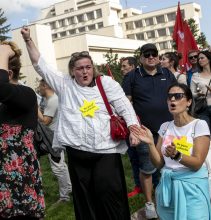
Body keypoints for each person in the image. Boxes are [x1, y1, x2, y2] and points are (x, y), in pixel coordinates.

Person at [21, 26, 140, 220]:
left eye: (88, 67)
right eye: (79, 68)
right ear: (72, 71)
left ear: (93, 68)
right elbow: (39, 64)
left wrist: (133, 130)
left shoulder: (107, 83)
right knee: (85, 200)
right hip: (78, 152)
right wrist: (28, 40)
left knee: (110, 195)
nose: (85, 72)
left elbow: (125, 108)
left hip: (106, 151)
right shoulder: (64, 84)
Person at [131, 83, 211, 220]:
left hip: (192, 188)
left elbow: (197, 162)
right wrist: (151, 143)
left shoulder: (199, 125)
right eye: (169, 97)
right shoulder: (165, 127)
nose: (172, 100)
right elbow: (158, 164)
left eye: (178, 96)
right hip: (168, 188)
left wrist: (177, 155)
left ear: (188, 102)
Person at [122, 43, 177, 219]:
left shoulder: (167, 73)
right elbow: (125, 104)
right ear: (141, 57)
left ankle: (166, 199)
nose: (151, 57)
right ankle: (149, 203)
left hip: (168, 130)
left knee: (170, 166)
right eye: (147, 54)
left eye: (154, 54)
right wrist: (133, 129)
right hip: (145, 132)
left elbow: (176, 95)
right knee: (147, 168)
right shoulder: (132, 76)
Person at [0, 42, 45, 219]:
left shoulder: (26, 94)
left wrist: (3, 53)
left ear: (8, 73)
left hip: (18, 182)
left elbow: (2, 89)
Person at [38, 79, 72, 203]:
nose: (39, 88)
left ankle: (64, 197)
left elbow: (46, 121)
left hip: (54, 138)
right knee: (61, 165)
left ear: (45, 85)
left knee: (58, 167)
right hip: (55, 136)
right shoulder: (51, 100)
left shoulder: (53, 100)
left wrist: (35, 108)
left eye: (40, 86)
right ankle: (69, 188)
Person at [190, 50, 211, 167]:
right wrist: (198, 95)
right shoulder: (195, 76)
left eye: (202, 58)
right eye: (199, 59)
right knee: (206, 136)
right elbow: (191, 93)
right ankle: (209, 163)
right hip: (202, 109)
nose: (199, 60)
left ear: (209, 59)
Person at [121, 57, 141, 198]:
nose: (122, 69)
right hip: (139, 122)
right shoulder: (137, 77)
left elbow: (126, 100)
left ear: (132, 66)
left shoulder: (129, 77)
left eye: (124, 66)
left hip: (134, 123)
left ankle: (140, 186)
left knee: (135, 156)